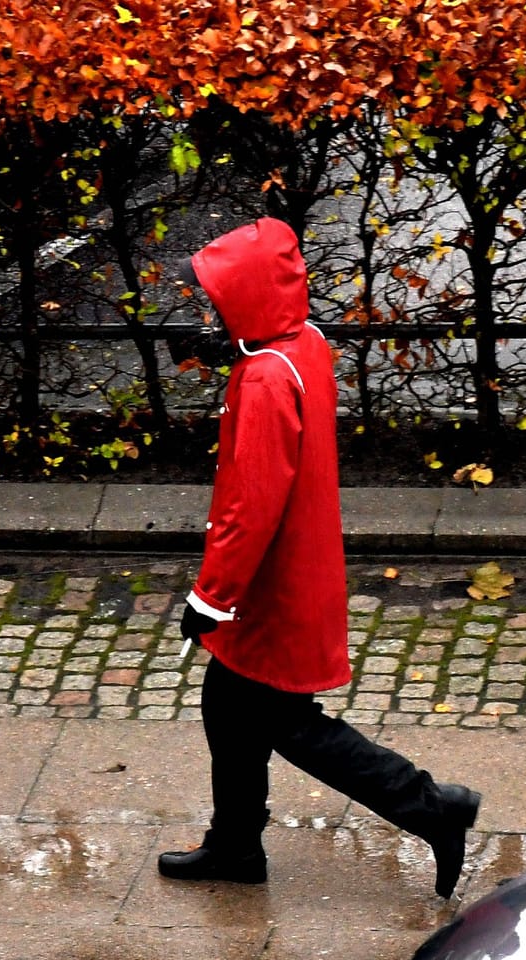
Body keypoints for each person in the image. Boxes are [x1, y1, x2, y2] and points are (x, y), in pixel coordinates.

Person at [160, 216, 483, 898]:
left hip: (265, 591)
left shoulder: (263, 380)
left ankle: (432, 808)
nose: (209, 308)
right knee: (227, 703)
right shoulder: (299, 344)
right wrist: (228, 353)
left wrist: (209, 598)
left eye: (217, 300)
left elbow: (250, 504)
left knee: (288, 724)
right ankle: (236, 842)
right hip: (295, 574)